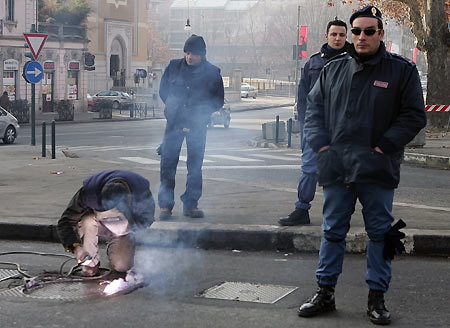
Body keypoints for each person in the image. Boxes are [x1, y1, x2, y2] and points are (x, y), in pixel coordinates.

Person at [298, 6, 426, 325]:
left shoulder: (402, 71)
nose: (361, 36)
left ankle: (377, 298)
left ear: (381, 34)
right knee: (332, 232)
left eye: (369, 31)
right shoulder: (332, 69)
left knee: (381, 235)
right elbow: (313, 112)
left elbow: (413, 116)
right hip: (337, 168)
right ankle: (324, 292)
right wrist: (323, 148)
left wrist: (383, 147)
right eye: (356, 31)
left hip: (377, 169)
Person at [279, 19, 350, 226]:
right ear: (326, 36)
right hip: (315, 126)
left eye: (342, 35)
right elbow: (303, 96)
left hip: (342, 128)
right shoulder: (313, 63)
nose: (337, 38)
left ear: (347, 37)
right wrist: (304, 123)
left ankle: (338, 213)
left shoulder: (354, 61)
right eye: (334, 34)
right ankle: (302, 210)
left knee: (341, 173)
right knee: (309, 168)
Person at [158, 34, 224, 220]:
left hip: (197, 125)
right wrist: (172, 106)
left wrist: (202, 113)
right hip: (175, 122)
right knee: (167, 164)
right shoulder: (173, 67)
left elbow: (218, 100)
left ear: (201, 55)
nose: (189, 57)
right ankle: (165, 206)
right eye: (187, 53)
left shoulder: (212, 72)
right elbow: (163, 90)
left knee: (194, 166)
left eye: (193, 53)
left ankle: (191, 205)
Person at [57, 170, 155, 276]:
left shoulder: (140, 192)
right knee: (88, 221)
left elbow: (147, 220)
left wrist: (130, 227)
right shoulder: (90, 191)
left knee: (122, 266)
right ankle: (90, 262)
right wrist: (76, 248)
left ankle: (115, 246)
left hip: (124, 230)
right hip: (96, 223)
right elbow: (65, 222)